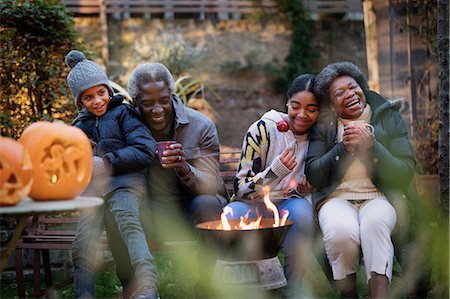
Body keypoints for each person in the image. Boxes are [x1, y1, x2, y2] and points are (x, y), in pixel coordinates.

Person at [103, 62, 228, 297]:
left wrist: (184, 167)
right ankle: (136, 290)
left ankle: (207, 286)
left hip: (190, 208)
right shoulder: (123, 128)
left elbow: (213, 184)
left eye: (163, 100)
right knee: (116, 212)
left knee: (210, 204)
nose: (157, 109)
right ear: (135, 102)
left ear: (171, 95)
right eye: (147, 103)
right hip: (148, 211)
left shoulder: (200, 126)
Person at [305, 61, 417, 298]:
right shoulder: (324, 126)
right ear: (331, 104)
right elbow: (313, 173)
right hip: (335, 198)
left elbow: (404, 171)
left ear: (362, 87)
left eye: (352, 87)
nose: (349, 94)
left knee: (374, 225)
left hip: (380, 196)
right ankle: (348, 293)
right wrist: (341, 150)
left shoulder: (388, 117)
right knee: (339, 231)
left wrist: (373, 148)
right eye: (340, 93)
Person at [65, 50, 159, 299]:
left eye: (101, 93)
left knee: (129, 225)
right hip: (95, 192)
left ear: (108, 90)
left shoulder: (124, 113)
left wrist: (104, 162)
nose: (97, 101)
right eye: (88, 97)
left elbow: (144, 149)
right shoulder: (77, 127)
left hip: (126, 185)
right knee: (83, 242)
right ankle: (83, 294)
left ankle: (147, 288)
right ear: (79, 101)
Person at [226, 74, 319, 296]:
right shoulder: (263, 129)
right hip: (252, 203)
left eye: (311, 109)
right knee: (232, 213)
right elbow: (239, 189)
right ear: (287, 103)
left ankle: (292, 288)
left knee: (302, 213)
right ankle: (243, 288)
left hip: (290, 202)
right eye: (295, 106)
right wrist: (274, 172)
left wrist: (306, 188)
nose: (302, 115)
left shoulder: (320, 136)